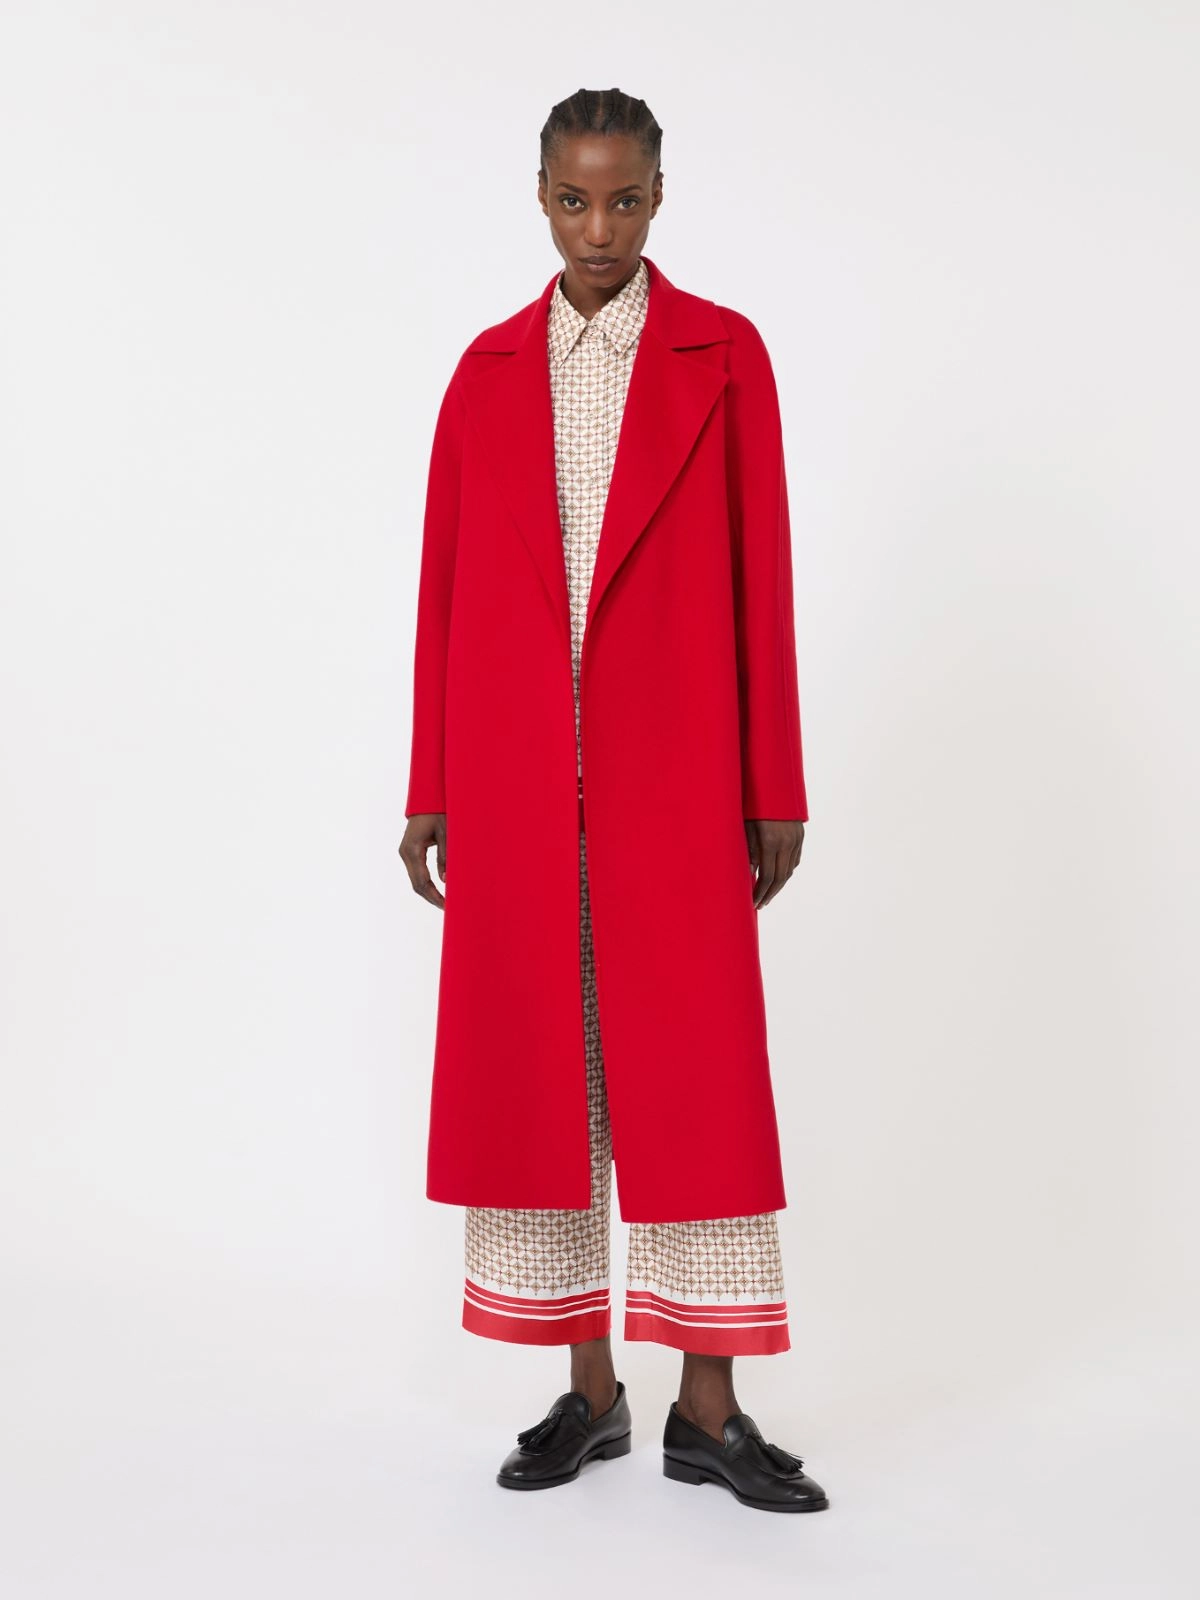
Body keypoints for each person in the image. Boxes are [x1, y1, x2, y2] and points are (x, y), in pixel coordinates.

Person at [399, 86, 828, 1514]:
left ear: (659, 197)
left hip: (676, 772)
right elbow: (445, 586)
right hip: (517, 780)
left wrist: (773, 780)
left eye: (625, 199)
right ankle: (588, 1394)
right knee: (548, 1079)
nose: (599, 227)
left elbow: (762, 573)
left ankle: (710, 1409)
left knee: (696, 1087)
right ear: (540, 197)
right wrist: (433, 780)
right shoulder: (485, 370)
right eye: (575, 200)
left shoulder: (723, 355)